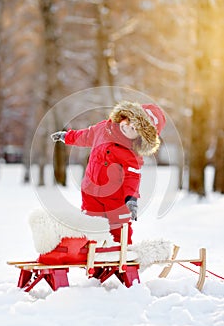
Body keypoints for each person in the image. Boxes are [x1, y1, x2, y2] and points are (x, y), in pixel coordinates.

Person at [51, 100, 166, 244]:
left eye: (135, 129)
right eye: (130, 120)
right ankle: (94, 258)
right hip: (90, 192)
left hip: (116, 199)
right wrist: (66, 136)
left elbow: (132, 177)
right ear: (124, 115)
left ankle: (121, 257)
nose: (129, 126)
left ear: (139, 138)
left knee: (119, 229)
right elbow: (85, 135)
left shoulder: (132, 154)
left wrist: (131, 198)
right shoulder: (103, 129)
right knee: (92, 227)